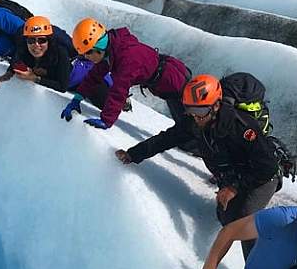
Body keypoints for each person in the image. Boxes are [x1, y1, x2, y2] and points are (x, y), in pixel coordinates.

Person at [116, 74, 285, 250]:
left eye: (200, 112)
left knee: (244, 219)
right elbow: (166, 139)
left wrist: (234, 187)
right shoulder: (196, 122)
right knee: (227, 217)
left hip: (265, 176)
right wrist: (133, 154)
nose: (196, 117)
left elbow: (268, 166)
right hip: (236, 174)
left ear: (216, 105)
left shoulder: (241, 126)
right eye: (191, 111)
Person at [60, 17, 190, 131]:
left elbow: (119, 91)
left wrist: (106, 120)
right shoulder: (111, 51)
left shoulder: (126, 59)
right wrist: (77, 99)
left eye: (88, 53)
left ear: (98, 47)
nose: (86, 57)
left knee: (189, 127)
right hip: (163, 80)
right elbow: (93, 76)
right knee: (186, 126)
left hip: (173, 80)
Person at [0, 15, 118, 110]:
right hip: (74, 81)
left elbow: (62, 86)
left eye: (41, 40)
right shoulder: (24, 49)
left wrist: (35, 78)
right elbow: (16, 60)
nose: (36, 45)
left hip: (87, 77)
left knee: (107, 103)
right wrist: (7, 74)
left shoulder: (60, 53)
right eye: (31, 40)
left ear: (49, 41)